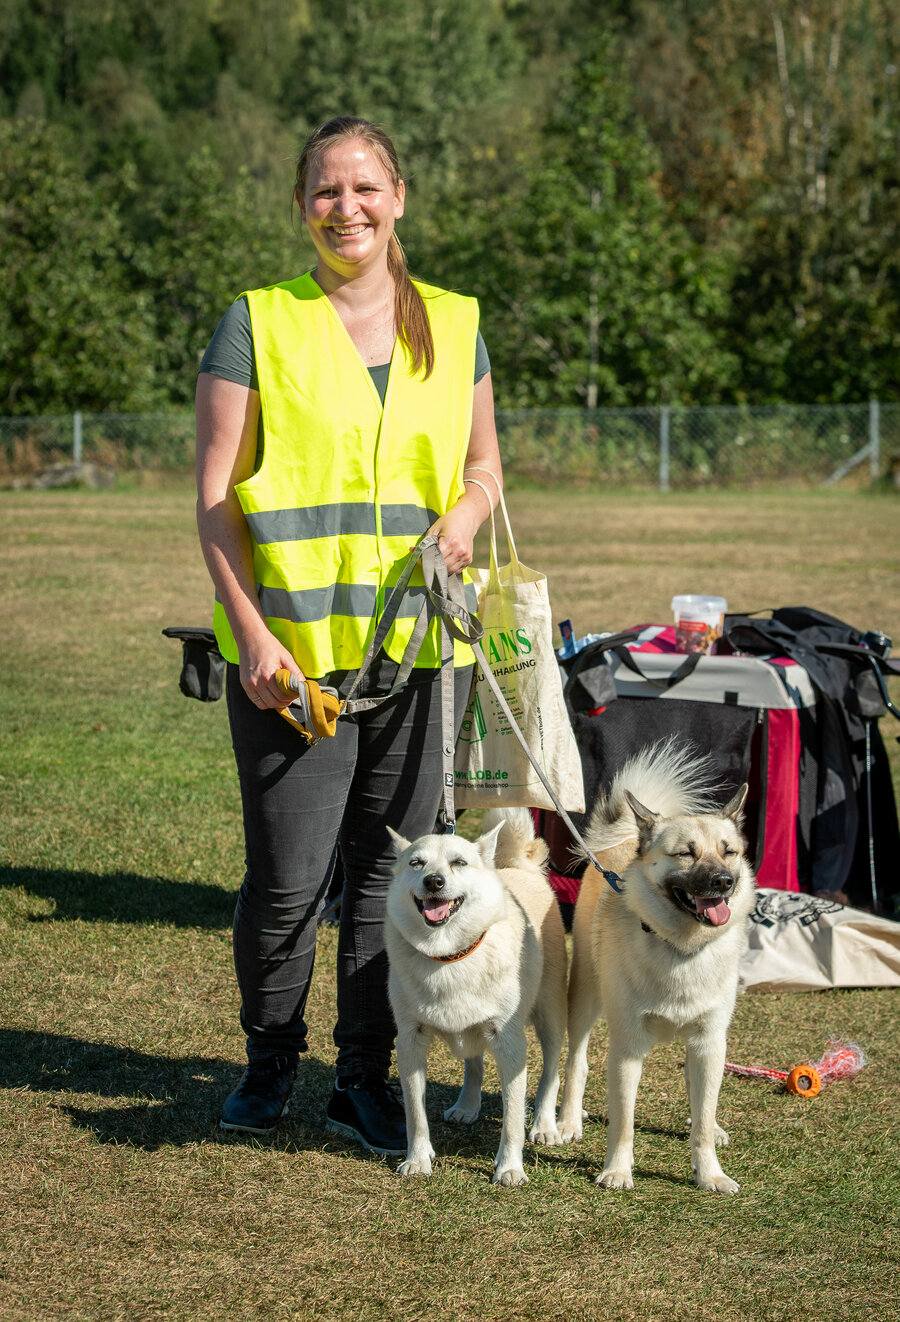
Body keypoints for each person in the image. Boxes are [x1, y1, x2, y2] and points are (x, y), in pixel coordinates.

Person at [195, 116, 503, 1155]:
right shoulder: (255, 323)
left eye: (365, 188)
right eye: (326, 191)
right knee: (288, 878)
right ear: (301, 205)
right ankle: (270, 1058)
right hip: (292, 660)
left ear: (400, 197)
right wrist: (250, 636)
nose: (347, 208)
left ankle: (358, 1075)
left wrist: (462, 517)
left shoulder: (456, 323)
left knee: (387, 871)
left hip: (420, 655)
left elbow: (484, 471)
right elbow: (215, 502)